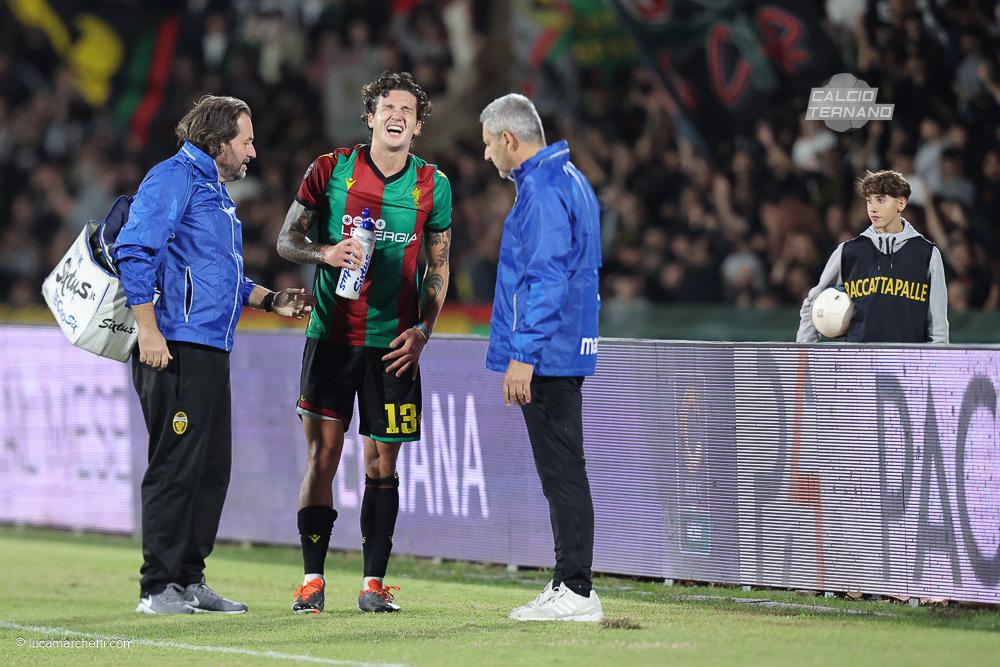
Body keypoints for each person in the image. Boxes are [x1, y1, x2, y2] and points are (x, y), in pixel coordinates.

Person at [116, 95, 317, 615]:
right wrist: (148, 329)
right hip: (174, 344)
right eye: (246, 141)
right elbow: (136, 250)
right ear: (218, 142)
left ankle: (188, 579)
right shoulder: (172, 178)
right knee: (176, 466)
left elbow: (219, 273)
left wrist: (268, 299)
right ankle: (157, 587)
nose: (252, 152)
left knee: (211, 468)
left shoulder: (212, 190)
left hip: (208, 345)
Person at [276, 72, 452, 614]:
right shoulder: (331, 170)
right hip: (331, 336)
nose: (396, 114)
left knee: (383, 466)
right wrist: (325, 253)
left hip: (395, 348)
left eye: (407, 109)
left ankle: (373, 586)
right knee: (322, 457)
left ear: (419, 125)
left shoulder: (433, 186)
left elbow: (438, 269)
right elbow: (287, 240)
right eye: (386, 106)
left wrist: (424, 330)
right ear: (370, 117)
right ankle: (311, 582)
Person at [479, 93, 604, 622]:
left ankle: (575, 589)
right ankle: (569, 583)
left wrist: (523, 355)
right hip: (560, 347)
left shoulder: (545, 189)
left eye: (488, 145)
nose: (488, 157)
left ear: (509, 139)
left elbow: (547, 278)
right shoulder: (565, 178)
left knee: (562, 473)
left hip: (548, 352)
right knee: (563, 470)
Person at [796, 170, 949, 343]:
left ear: (901, 203)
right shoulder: (848, 251)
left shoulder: (927, 253)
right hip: (859, 364)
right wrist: (804, 358)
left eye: (881, 199)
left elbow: (938, 326)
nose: (873, 208)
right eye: (869, 201)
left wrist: (936, 364)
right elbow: (812, 303)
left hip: (908, 364)